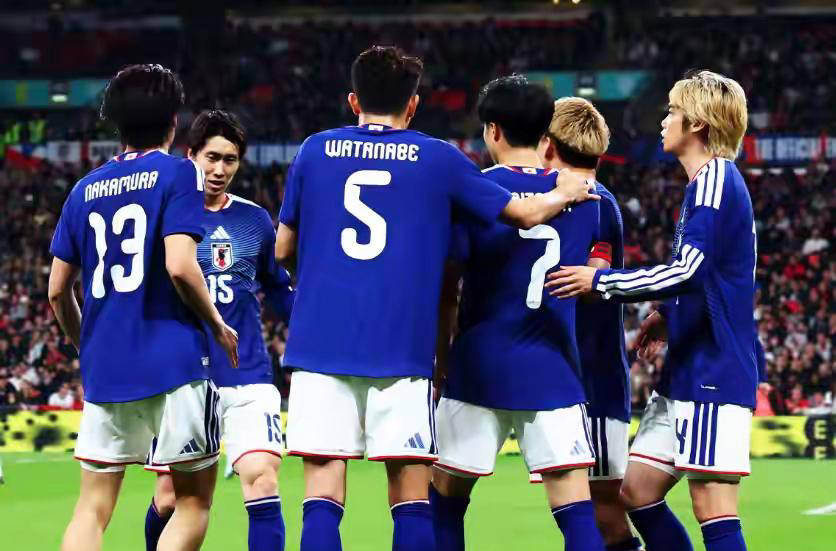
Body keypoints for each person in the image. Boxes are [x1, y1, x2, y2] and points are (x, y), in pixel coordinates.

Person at [274, 46, 598, 551]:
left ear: (354, 100)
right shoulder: (439, 158)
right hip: (402, 347)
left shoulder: (314, 150)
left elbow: (282, 249)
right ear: (413, 104)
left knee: (322, 491)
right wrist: (566, 192)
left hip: (320, 342)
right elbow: (522, 214)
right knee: (410, 494)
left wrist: (317, 280)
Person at [547, 70, 756, 551]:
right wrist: (667, 313)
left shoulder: (716, 178)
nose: (664, 121)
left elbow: (689, 270)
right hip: (688, 367)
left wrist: (600, 281)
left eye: (672, 111)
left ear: (697, 124)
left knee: (713, 505)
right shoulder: (702, 185)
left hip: (714, 370)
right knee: (636, 492)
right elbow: (712, 272)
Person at [49, 64, 238, 551]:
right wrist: (217, 323)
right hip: (174, 361)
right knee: (192, 502)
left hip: (107, 369)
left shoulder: (83, 190)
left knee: (91, 508)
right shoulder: (179, 172)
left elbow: (57, 291)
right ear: (173, 122)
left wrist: (87, 346)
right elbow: (180, 265)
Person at [430, 76, 605, 551]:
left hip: (478, 366)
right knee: (576, 512)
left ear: (492, 130)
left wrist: (442, 359)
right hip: (553, 367)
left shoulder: (474, 193)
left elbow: (447, 290)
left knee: (444, 502)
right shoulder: (586, 197)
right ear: (547, 135)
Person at [144, 110, 294, 551]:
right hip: (184, 375)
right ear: (191, 155)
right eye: (212, 157)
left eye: (230, 160)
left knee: (263, 479)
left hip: (248, 372)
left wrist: (317, 330)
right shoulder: (163, 218)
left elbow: (278, 290)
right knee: (170, 497)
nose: (220, 169)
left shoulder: (254, 220)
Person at [535, 97, 643, 551]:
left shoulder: (598, 203)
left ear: (548, 144)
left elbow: (592, 281)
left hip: (593, 379)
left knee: (603, 511)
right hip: (569, 374)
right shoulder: (561, 197)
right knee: (577, 509)